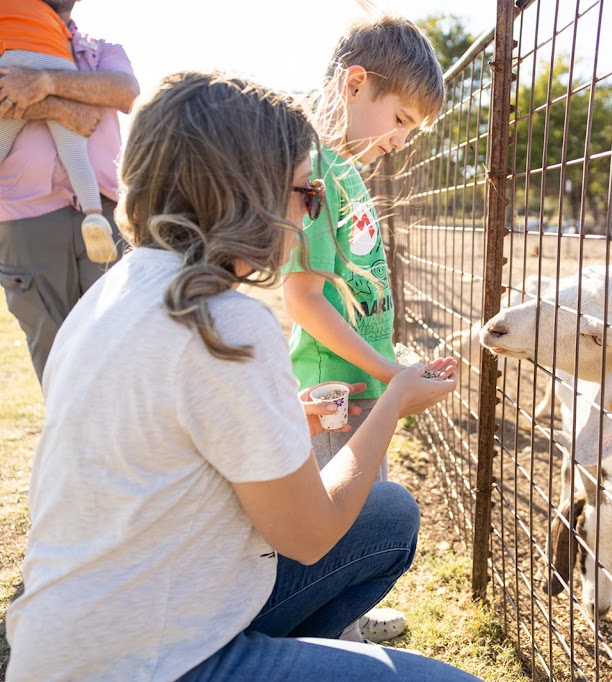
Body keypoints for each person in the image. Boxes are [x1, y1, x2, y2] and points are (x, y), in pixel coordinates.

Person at [5, 70, 476, 682]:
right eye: (304, 195)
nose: (306, 214)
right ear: (247, 191)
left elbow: (174, 438)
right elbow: (310, 535)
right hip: (146, 662)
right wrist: (394, 400)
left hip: (65, 644)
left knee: (387, 514)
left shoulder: (112, 293)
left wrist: (284, 413)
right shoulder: (224, 321)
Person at [281, 11, 446, 643]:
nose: (402, 140)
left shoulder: (348, 171)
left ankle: (347, 611)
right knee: (335, 510)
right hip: (334, 395)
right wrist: (390, 372)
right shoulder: (316, 172)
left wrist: (389, 357)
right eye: (401, 119)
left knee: (365, 497)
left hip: (365, 384)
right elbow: (303, 299)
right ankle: (333, 637)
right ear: (355, 86)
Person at [0, 0, 138, 382]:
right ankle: (71, 437)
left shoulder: (101, 48)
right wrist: (64, 110)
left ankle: (120, 439)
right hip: (26, 218)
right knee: (52, 344)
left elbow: (125, 91)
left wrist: (44, 84)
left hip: (107, 212)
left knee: (118, 337)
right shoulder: (9, 32)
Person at [0, 0, 117, 265]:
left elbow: (126, 90)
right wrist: (61, 107)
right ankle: (94, 216)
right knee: (76, 155)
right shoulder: (47, 16)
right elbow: (61, 39)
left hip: (13, 62)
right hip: (60, 60)